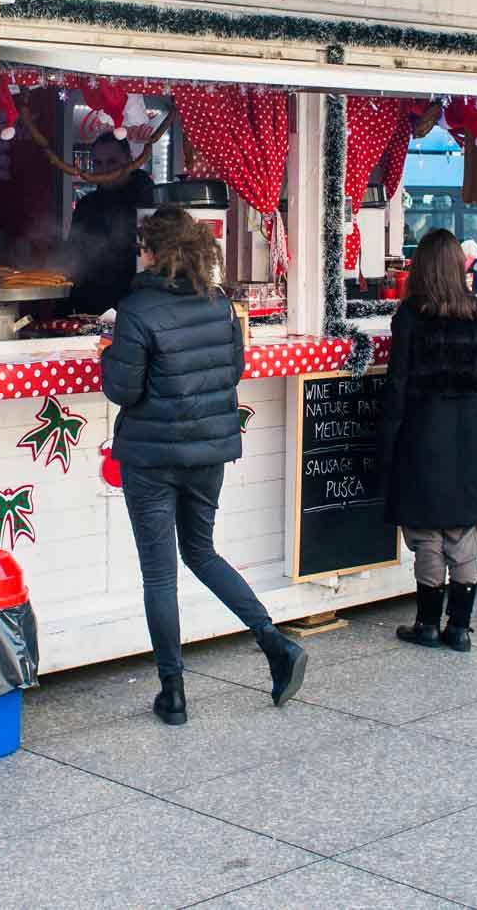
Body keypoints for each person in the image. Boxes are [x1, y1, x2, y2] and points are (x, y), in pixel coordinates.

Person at [101, 207, 306, 725]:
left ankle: (174, 694)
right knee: (201, 551)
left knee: (159, 575)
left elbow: (123, 389)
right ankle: (273, 642)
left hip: (151, 456)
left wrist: (107, 353)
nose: (139, 252)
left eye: (143, 244)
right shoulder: (219, 305)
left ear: (155, 251)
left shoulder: (137, 309)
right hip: (209, 450)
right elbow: (233, 369)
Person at [378, 229, 477, 651]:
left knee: (427, 531)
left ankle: (427, 624)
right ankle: (460, 628)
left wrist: (387, 439)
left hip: (421, 433)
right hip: (466, 434)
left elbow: (397, 383)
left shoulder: (411, 315)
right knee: (463, 530)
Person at [64, 133, 155, 316]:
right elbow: (73, 260)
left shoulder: (149, 200)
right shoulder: (86, 205)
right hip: (89, 312)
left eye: (112, 162)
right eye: (98, 163)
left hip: (138, 309)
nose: (104, 169)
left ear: (130, 161)